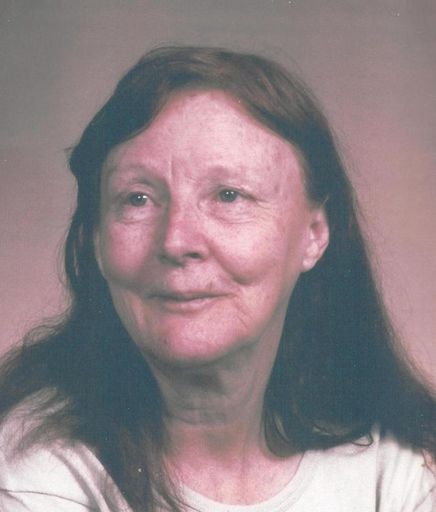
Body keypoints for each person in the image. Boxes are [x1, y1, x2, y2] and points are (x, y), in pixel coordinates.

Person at [0, 46, 435, 512]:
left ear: (314, 233)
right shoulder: (30, 470)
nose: (176, 241)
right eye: (137, 199)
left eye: (228, 195)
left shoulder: (398, 468)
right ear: (96, 241)